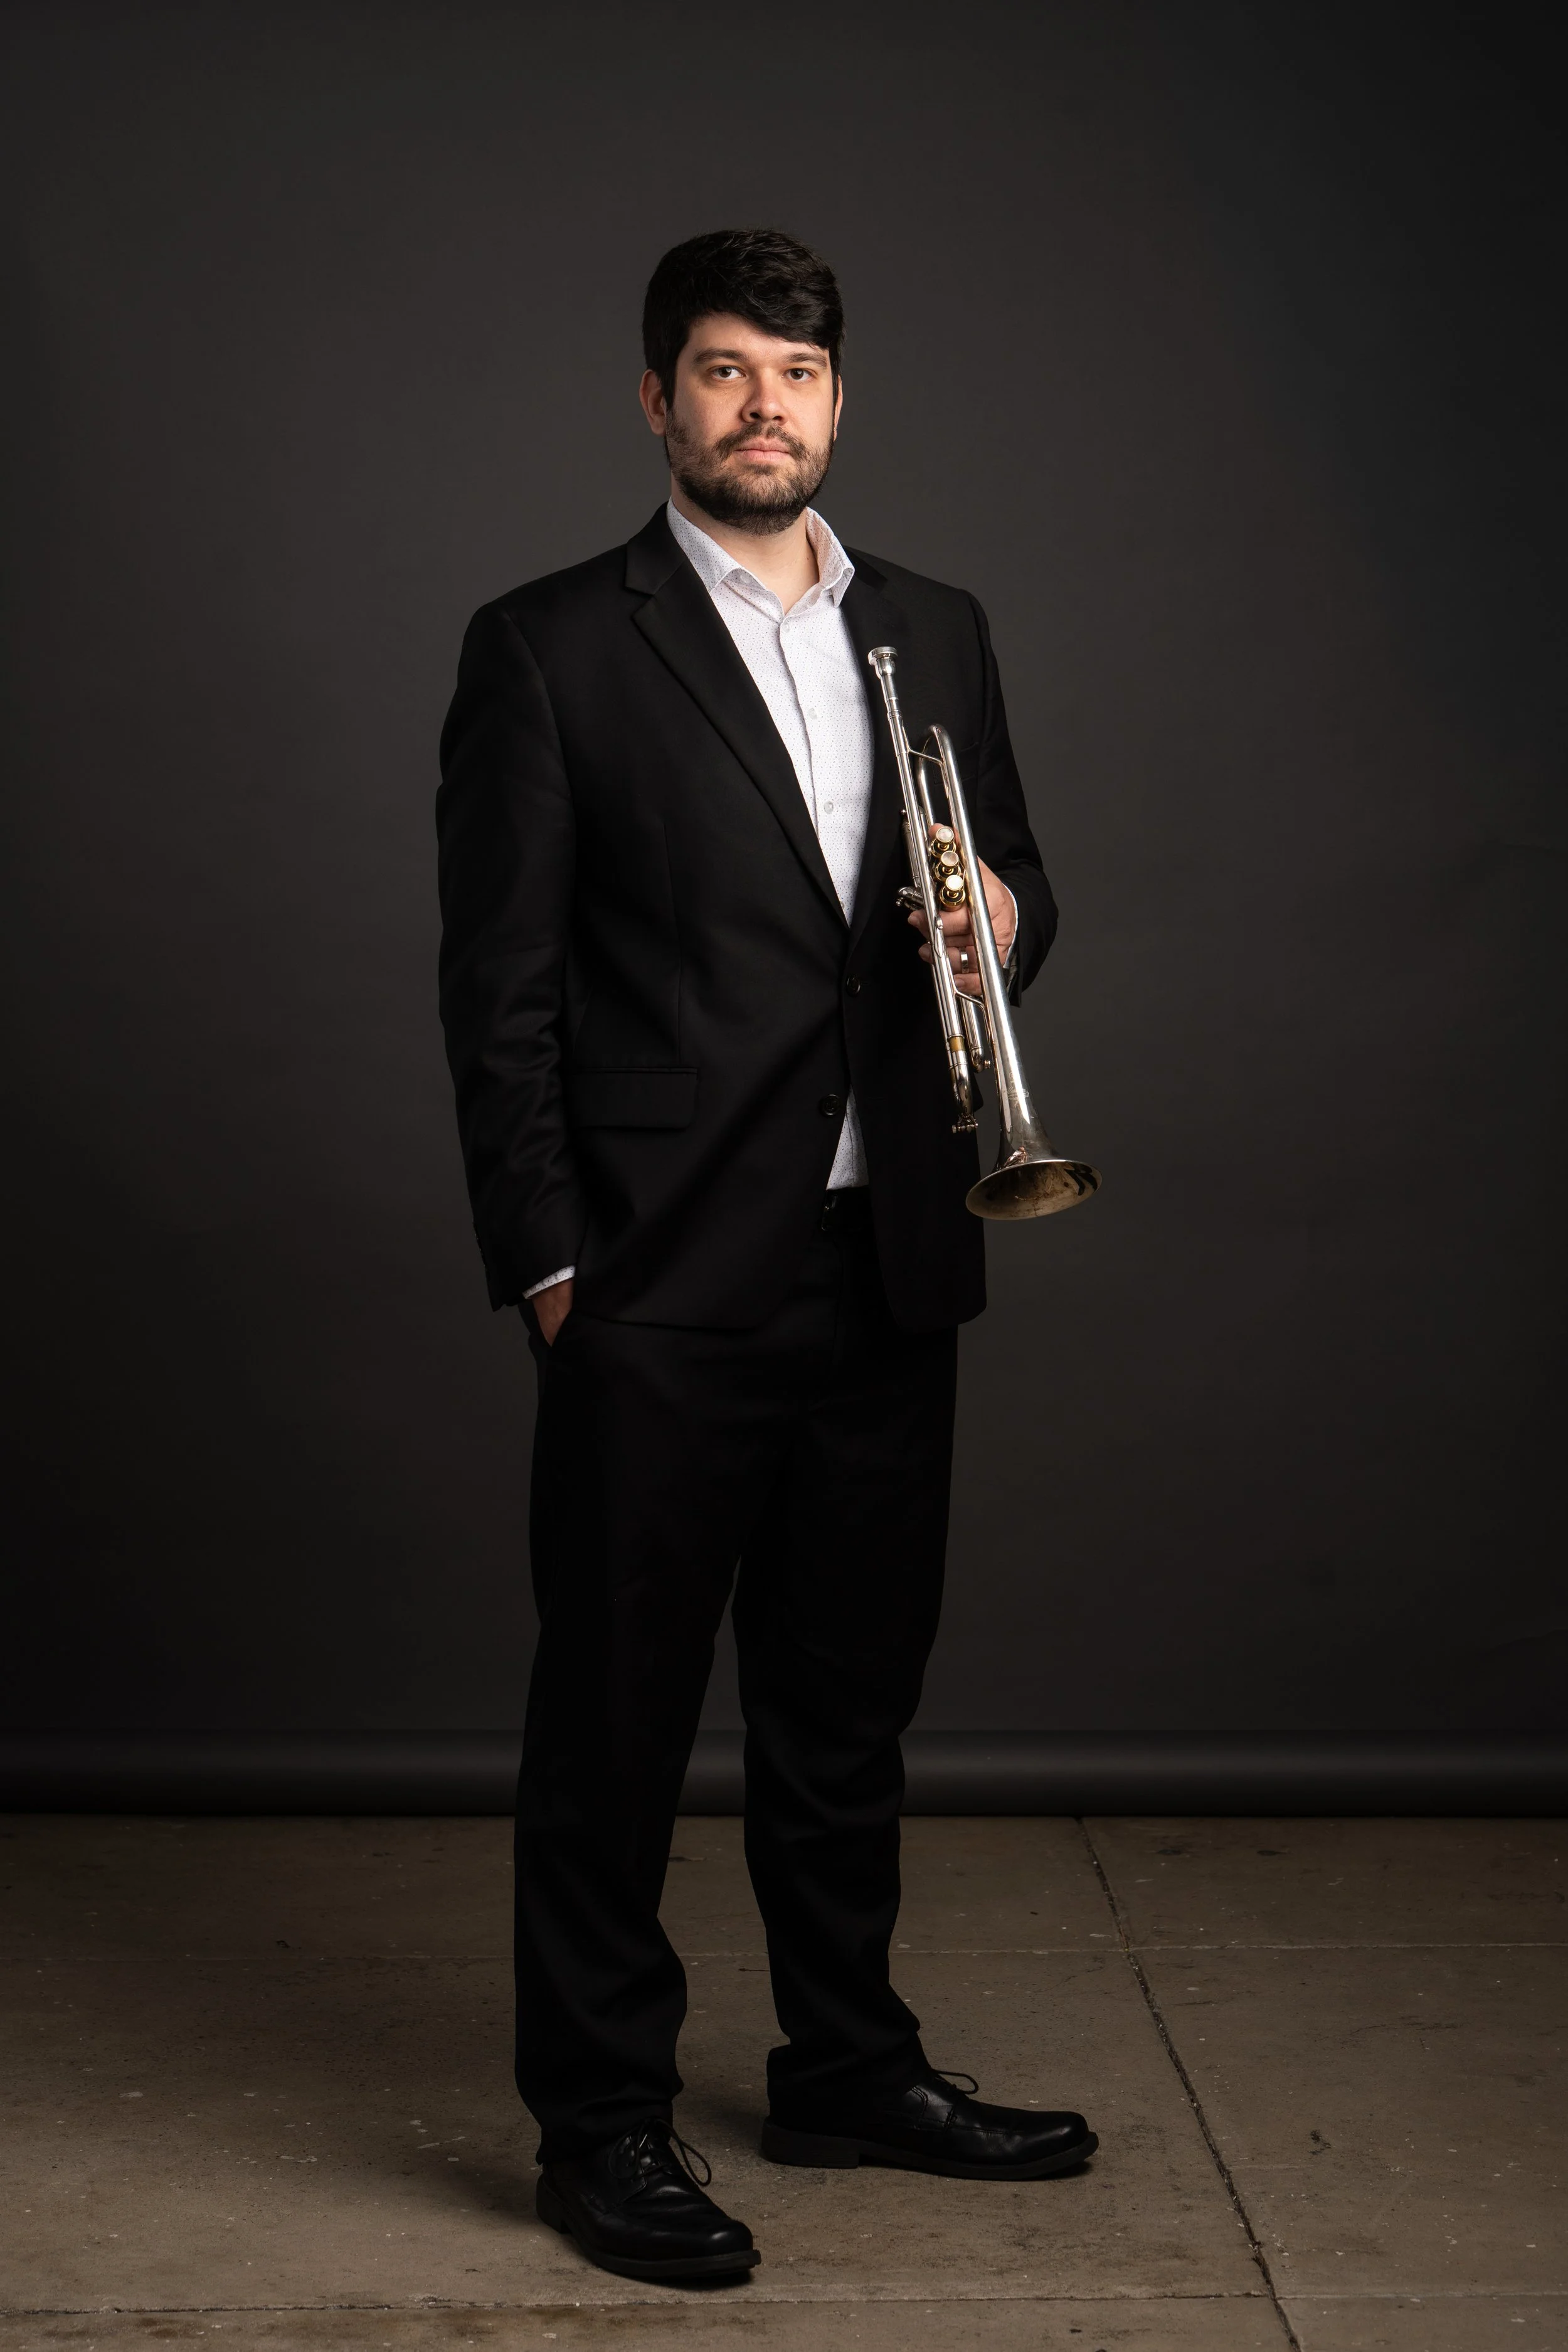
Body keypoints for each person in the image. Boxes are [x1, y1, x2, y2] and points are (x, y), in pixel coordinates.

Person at [436, 227, 1096, 2287]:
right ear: (657, 401)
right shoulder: (553, 643)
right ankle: (602, 2120)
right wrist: (552, 1263)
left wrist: (998, 914)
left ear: (838, 399)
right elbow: (498, 992)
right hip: (654, 1271)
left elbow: (1018, 885)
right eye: (720, 372)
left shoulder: (936, 625)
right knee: (616, 1719)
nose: (762, 409)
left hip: (888, 1242)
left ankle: (842, 2064)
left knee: (842, 1701)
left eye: (795, 375)